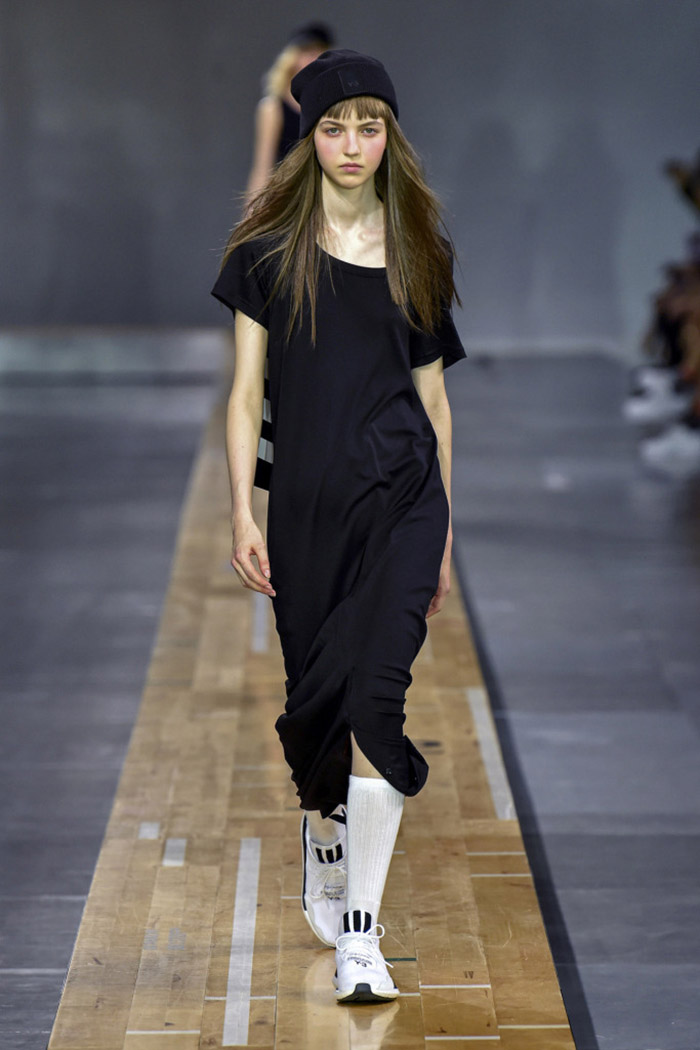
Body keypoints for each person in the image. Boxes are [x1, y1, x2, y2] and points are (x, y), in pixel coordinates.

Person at [212, 49, 466, 1004]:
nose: (353, 144)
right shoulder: (266, 254)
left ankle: (362, 936)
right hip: (310, 508)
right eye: (334, 127)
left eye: (370, 126)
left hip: (405, 502)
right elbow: (246, 395)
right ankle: (322, 827)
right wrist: (241, 508)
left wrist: (444, 532)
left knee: (375, 703)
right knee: (316, 708)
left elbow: (434, 404)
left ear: (390, 135)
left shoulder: (418, 252)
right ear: (309, 138)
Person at [245, 22, 335, 202]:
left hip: (326, 198)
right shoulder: (273, 108)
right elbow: (263, 166)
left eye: (319, 53)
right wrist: (252, 212)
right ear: (292, 58)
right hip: (288, 199)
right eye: (307, 52)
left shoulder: (332, 104)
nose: (312, 60)